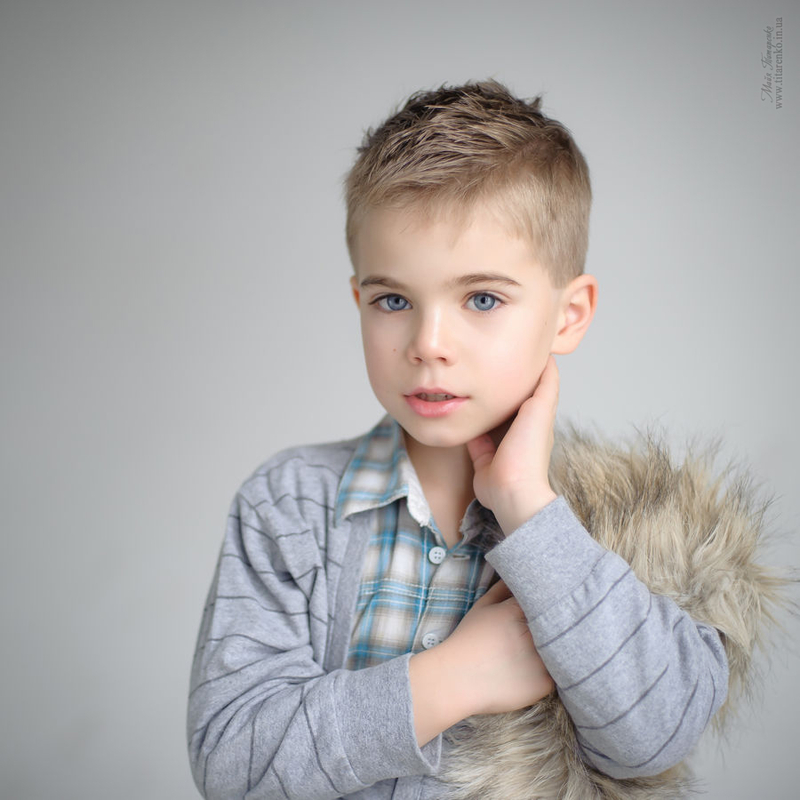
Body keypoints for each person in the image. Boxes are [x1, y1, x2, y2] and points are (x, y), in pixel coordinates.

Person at [187, 81, 781, 799]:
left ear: (568, 315)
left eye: (482, 298)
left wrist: (527, 506)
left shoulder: (630, 528)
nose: (429, 344)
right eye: (393, 300)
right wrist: (456, 676)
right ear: (358, 302)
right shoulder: (290, 504)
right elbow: (233, 766)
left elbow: (653, 739)